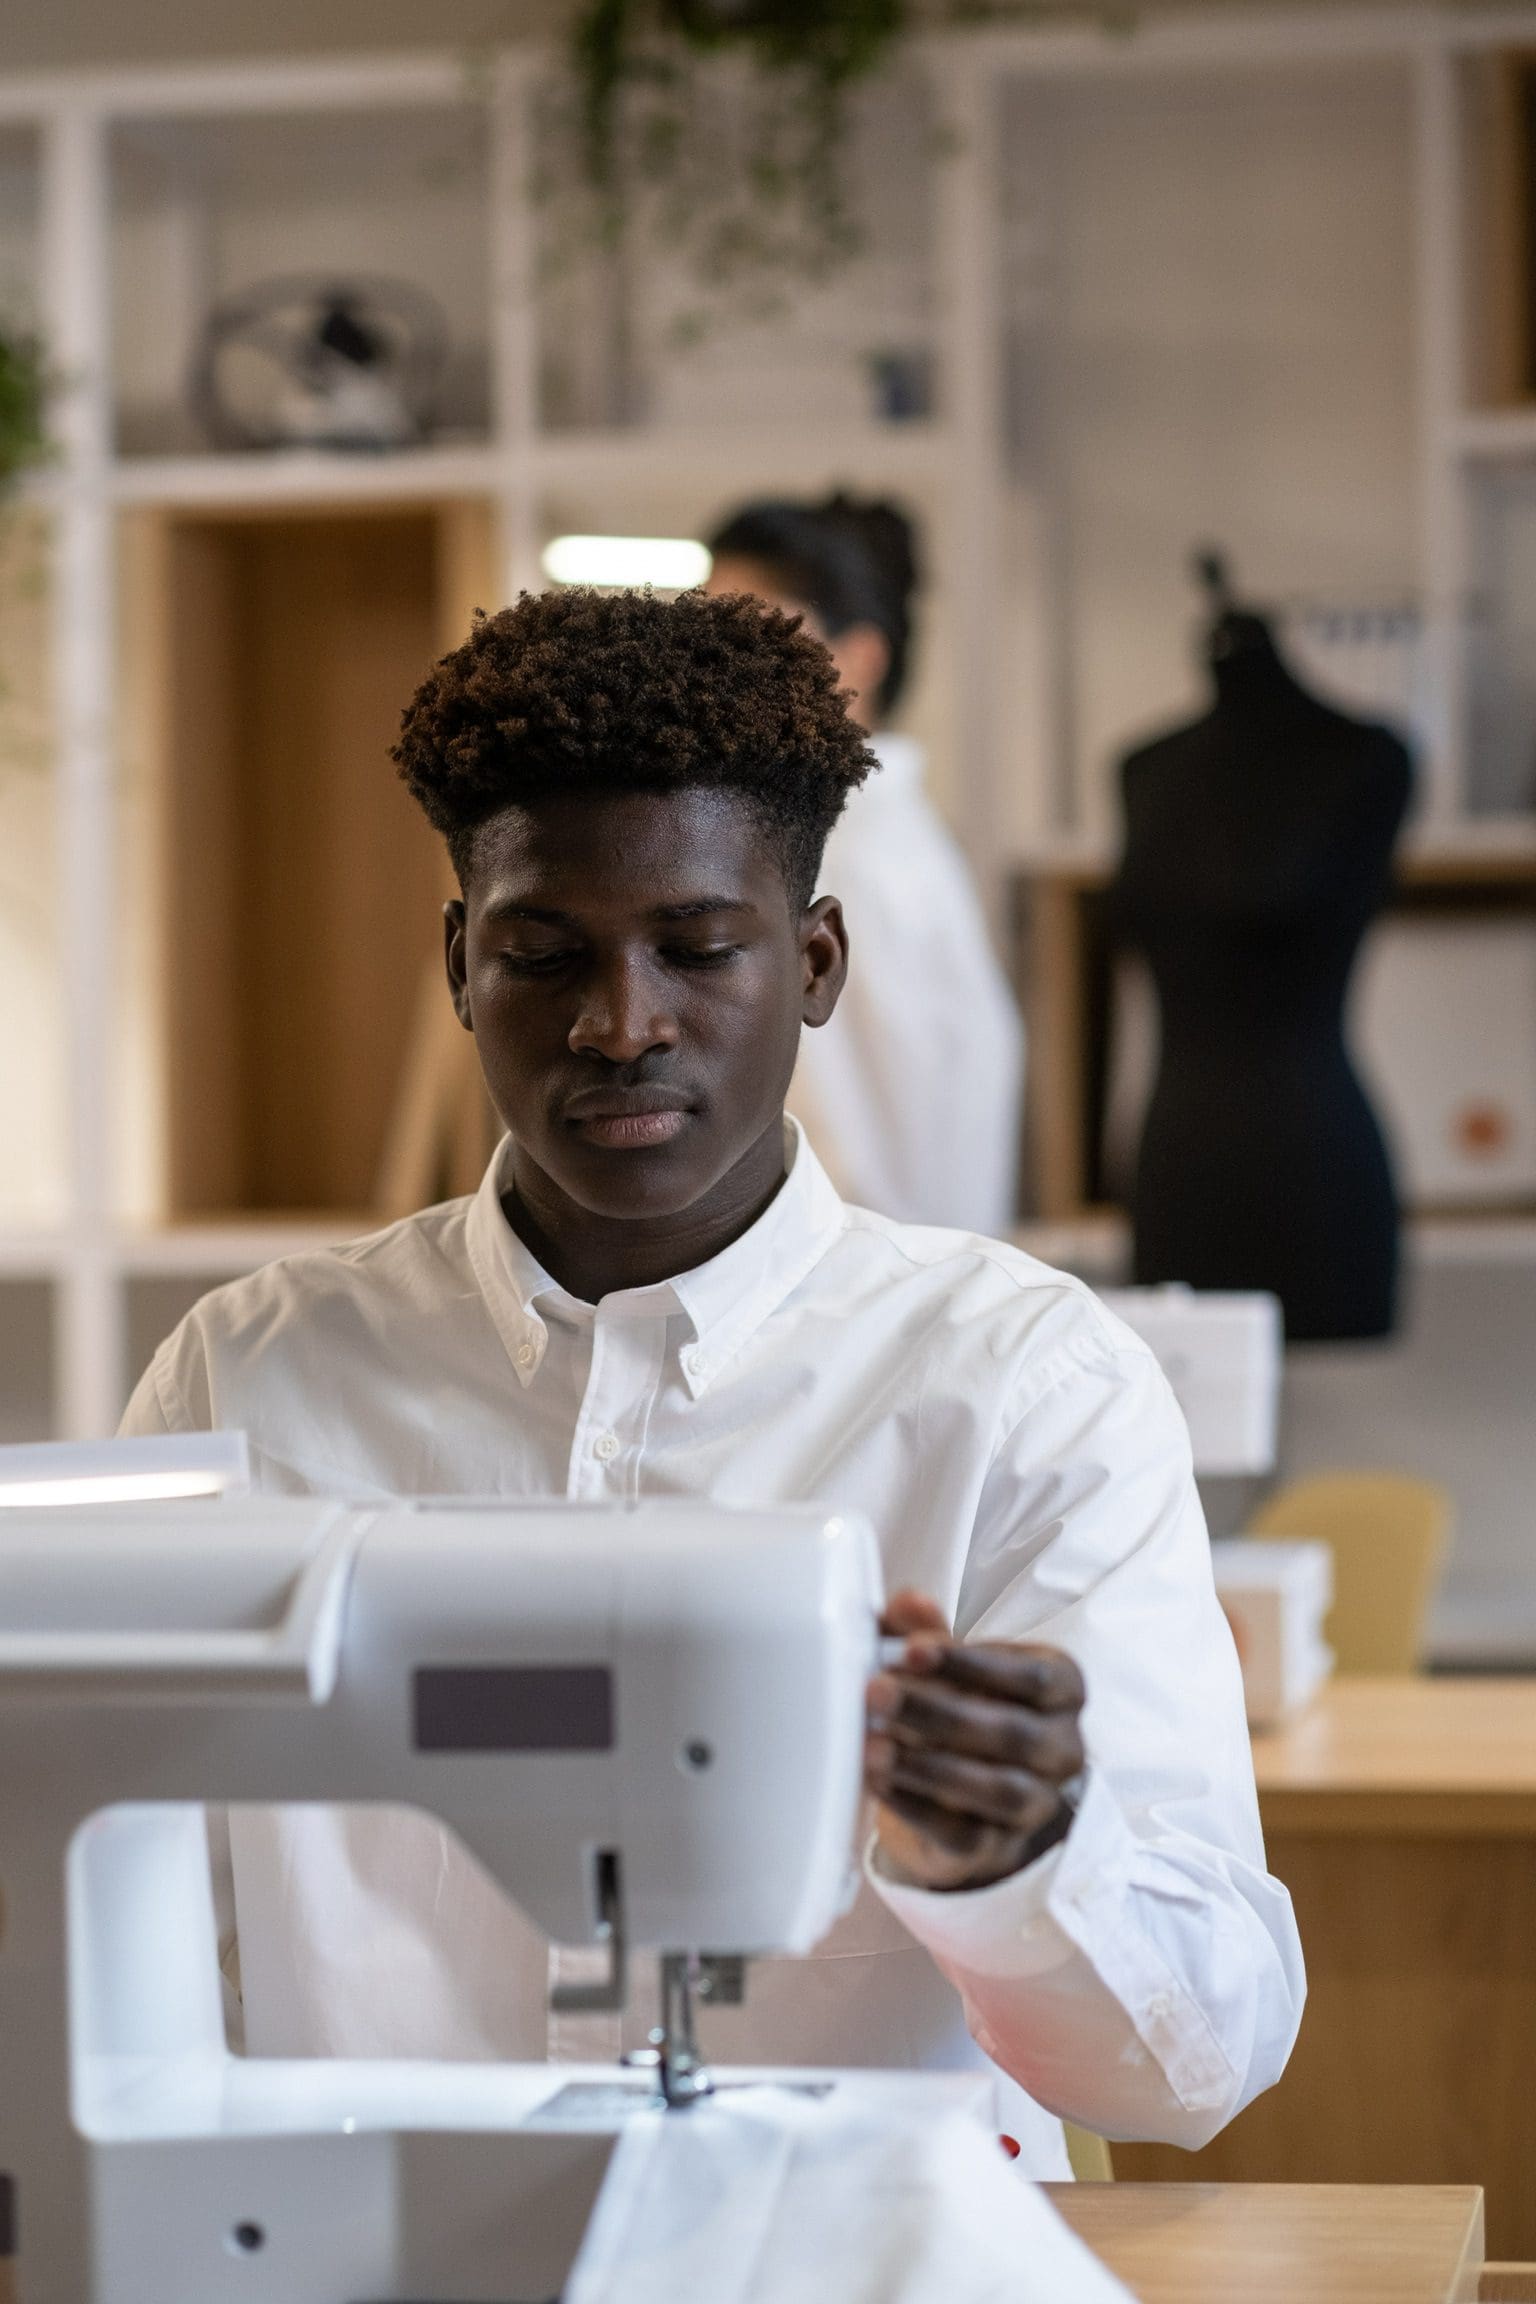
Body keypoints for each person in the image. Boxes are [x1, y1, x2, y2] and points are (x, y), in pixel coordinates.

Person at [121, 589, 1302, 2177]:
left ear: (814, 963)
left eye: (698, 947)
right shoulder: (247, 1382)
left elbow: (1198, 2069)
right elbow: (130, 1934)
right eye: (545, 953)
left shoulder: (1025, 1390)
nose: (622, 1023)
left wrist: (1021, 1868)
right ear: (460, 964)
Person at [705, 495, 1024, 1237]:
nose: (715, 672)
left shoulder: (851, 858)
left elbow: (870, 1148)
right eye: (705, 636)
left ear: (860, 658)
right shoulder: (855, 838)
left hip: (855, 1288)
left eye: (749, 638)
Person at [1113, 580, 1411, 1340]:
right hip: (1176, 1163)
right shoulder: (1137, 769)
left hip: (1318, 1165)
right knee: (1178, 1434)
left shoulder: (1369, 758)